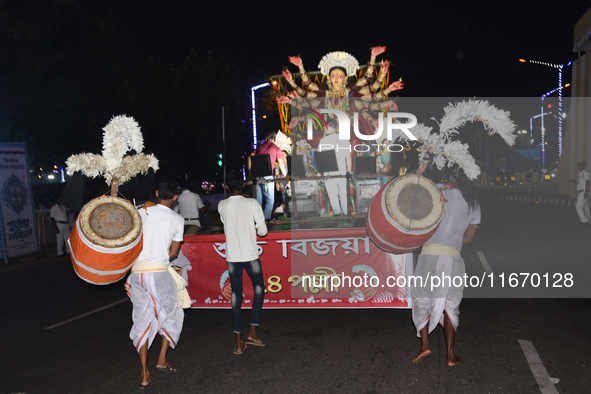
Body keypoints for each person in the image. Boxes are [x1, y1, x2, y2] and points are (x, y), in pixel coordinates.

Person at [411, 167, 480, 367]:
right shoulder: (474, 202)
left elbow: (414, 194)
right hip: (453, 258)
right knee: (451, 306)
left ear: (453, 176)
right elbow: (468, 238)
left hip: (428, 256)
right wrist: (452, 240)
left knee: (422, 300)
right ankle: (450, 355)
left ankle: (425, 345)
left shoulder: (438, 191)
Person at [124, 179, 185, 389]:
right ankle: (162, 359)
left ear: (157, 192)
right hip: (157, 271)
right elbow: (174, 253)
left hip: (136, 273)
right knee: (174, 311)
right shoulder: (177, 219)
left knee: (141, 319)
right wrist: (160, 260)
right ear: (175, 197)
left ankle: (144, 374)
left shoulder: (143, 212)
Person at [218, 170, 268, 354]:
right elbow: (263, 232)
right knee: (258, 288)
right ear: (245, 185)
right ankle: (253, 332)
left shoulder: (222, 205)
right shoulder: (252, 203)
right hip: (250, 255)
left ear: (226, 187)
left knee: (236, 296)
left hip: (232, 257)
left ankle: (239, 341)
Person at [248, 131, 288, 221]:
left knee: (258, 201)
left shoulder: (259, 147)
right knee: (269, 201)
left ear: (266, 138)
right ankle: (265, 221)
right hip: (268, 176)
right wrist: (286, 176)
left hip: (257, 176)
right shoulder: (276, 148)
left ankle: (257, 220)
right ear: (275, 139)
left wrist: (250, 172)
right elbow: (281, 164)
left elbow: (250, 157)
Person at [318, 118, 352, 215]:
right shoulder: (344, 139)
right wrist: (348, 171)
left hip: (329, 173)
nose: (324, 128)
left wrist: (320, 173)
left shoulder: (323, 141)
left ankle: (338, 216)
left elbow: (320, 159)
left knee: (333, 196)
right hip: (342, 171)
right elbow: (348, 157)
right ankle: (346, 215)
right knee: (344, 195)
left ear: (328, 127)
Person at [573, 161, 590, 226]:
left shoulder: (585, 173)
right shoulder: (581, 173)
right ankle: (588, 220)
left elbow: (587, 182)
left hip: (583, 192)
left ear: (584, 166)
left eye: (581, 165)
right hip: (583, 192)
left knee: (578, 207)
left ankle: (585, 221)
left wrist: (585, 192)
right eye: (578, 165)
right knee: (585, 208)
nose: (579, 167)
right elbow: (582, 183)